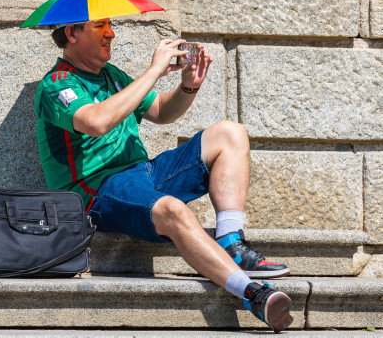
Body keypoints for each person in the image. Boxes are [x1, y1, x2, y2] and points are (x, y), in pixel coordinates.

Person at [35, 17, 293, 333]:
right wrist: (154, 70)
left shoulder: (112, 76)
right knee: (172, 209)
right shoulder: (57, 84)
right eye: (100, 26)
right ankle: (252, 293)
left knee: (230, 133)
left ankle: (231, 242)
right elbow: (96, 121)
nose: (111, 33)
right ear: (72, 33)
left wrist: (188, 85)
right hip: (100, 190)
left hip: (146, 173)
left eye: (110, 25)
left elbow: (160, 110)